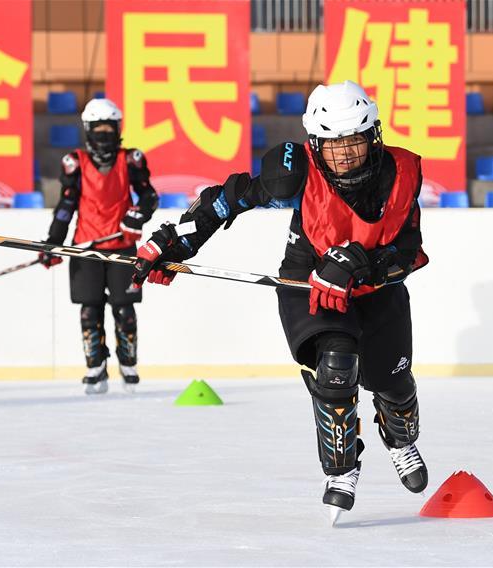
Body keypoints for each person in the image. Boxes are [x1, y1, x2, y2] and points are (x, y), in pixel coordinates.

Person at [131, 81, 428, 522]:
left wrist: (360, 264)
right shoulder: (295, 171)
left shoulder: (402, 174)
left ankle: (401, 439)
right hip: (309, 283)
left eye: (353, 142)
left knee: (394, 385)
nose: (344, 154)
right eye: (332, 145)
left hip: (377, 291)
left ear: (373, 136)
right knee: (336, 365)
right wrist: (176, 243)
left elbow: (408, 252)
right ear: (315, 145)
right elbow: (228, 201)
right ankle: (341, 469)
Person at [39, 98, 158, 395]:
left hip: (122, 247)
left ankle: (128, 365)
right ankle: (95, 367)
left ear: (118, 129)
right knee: (89, 310)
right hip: (86, 247)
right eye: (98, 128)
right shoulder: (75, 162)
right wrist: (53, 243)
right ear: (88, 130)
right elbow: (66, 205)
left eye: (110, 128)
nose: (104, 134)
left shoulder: (131, 159)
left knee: (124, 309)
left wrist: (137, 215)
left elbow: (149, 196)